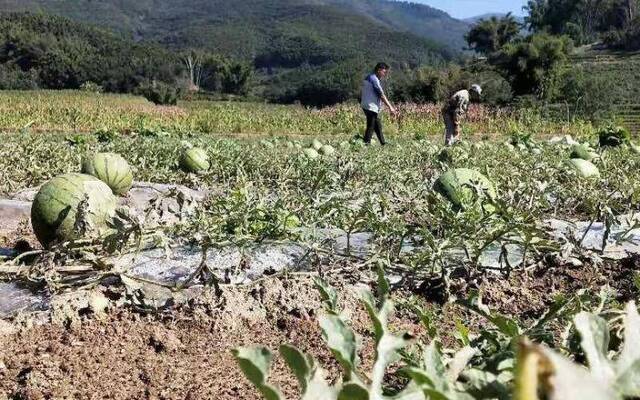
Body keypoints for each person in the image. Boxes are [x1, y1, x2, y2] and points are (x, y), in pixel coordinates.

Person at [361, 63, 397, 145]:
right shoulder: (374, 79)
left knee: (377, 125)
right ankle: (366, 143)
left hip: (368, 104)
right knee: (371, 125)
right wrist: (390, 107)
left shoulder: (370, 77)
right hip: (370, 106)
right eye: (384, 72)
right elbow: (381, 94)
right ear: (379, 70)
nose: (385, 74)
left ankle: (383, 143)